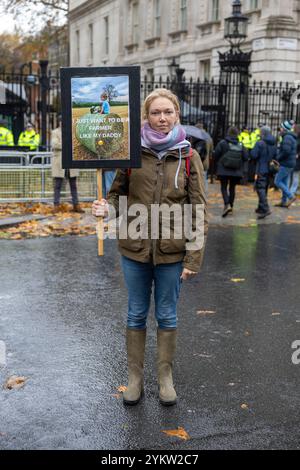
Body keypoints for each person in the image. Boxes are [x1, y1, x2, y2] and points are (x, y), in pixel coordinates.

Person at [92, 88, 208, 406]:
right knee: (136, 313)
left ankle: (165, 378)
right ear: (146, 116)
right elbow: (116, 195)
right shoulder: (129, 153)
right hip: (135, 247)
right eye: (155, 113)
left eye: (167, 112)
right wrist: (107, 209)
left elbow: (199, 209)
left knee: (167, 316)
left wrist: (193, 258)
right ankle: (135, 378)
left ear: (176, 115)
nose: (161, 118)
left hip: (173, 252)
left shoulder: (188, 157)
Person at [51, 116, 84, 213]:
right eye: (61, 121)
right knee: (57, 185)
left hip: (71, 163)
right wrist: (68, 144)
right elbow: (54, 144)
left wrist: (64, 144)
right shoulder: (55, 132)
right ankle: (56, 206)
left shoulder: (73, 132)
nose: (63, 123)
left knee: (73, 185)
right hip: (59, 163)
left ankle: (76, 205)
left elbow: (76, 143)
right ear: (59, 122)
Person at [214, 126, 248, 217]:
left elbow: (216, 155)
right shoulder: (241, 144)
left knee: (223, 187)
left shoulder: (222, 143)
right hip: (236, 171)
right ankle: (231, 206)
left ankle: (226, 204)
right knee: (232, 188)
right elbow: (245, 157)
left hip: (223, 170)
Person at [251, 126, 277, 219]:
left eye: (260, 132)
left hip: (261, 168)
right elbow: (276, 156)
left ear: (263, 133)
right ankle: (261, 207)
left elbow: (253, 155)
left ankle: (265, 208)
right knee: (264, 188)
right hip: (269, 169)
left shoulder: (260, 143)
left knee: (260, 188)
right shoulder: (274, 143)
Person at [274, 120, 297, 208]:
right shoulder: (289, 137)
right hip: (289, 163)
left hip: (286, 163)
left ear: (284, 129)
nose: (279, 129)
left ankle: (290, 196)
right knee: (284, 182)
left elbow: (286, 151)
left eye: (281, 127)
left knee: (277, 181)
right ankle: (283, 202)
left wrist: (278, 157)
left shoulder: (287, 137)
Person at [288, 123, 300, 198]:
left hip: (296, 159)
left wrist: (298, 154)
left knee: (293, 176)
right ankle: (290, 191)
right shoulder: (294, 137)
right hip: (294, 158)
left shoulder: (294, 137)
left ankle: (291, 191)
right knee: (292, 176)